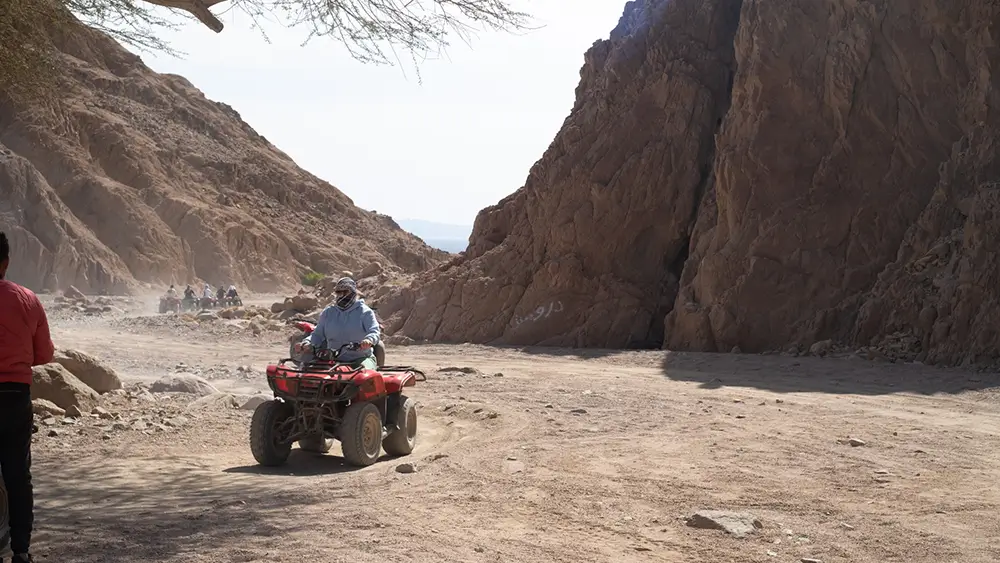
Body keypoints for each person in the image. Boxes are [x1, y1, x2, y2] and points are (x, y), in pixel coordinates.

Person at [0, 230, 54, 563]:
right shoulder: (28, 298)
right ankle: (20, 550)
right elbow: (44, 354)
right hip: (15, 395)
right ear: (5, 262)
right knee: (18, 474)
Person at [296, 277, 380, 369]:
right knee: (308, 371)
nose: (342, 295)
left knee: (361, 375)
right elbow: (317, 334)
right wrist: (306, 343)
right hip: (333, 359)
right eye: (339, 292)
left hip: (360, 358)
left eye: (345, 292)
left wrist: (369, 340)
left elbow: (374, 331)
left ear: (353, 292)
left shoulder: (365, 312)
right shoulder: (328, 312)